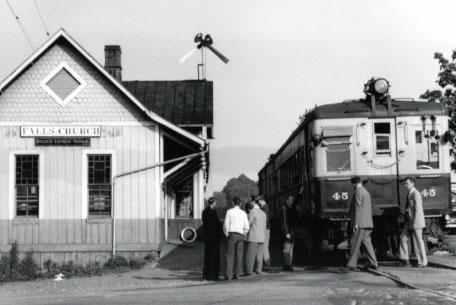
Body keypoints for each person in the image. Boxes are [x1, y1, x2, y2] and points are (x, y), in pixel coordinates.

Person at [346, 176, 378, 271]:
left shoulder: (358, 192)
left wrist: (356, 223)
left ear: (354, 184)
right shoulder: (366, 192)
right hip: (367, 222)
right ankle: (374, 263)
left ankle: (352, 264)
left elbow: (358, 208)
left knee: (355, 243)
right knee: (367, 243)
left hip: (360, 223)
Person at [399, 177, 427, 267]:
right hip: (409, 221)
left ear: (412, 184)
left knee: (418, 241)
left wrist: (415, 223)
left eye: (407, 183)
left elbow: (418, 210)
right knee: (403, 238)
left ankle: (422, 262)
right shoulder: (410, 193)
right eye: (405, 184)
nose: (405, 185)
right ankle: (405, 259)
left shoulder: (416, 194)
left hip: (416, 221)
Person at [223, 197, 250, 280]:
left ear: (233, 203)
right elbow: (247, 226)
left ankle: (229, 275)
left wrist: (226, 234)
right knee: (239, 255)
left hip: (232, 234)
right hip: (241, 235)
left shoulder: (229, 212)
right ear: (240, 204)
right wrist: (244, 233)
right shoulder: (243, 213)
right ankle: (237, 274)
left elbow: (226, 224)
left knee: (230, 255)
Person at [202, 197, 222, 281]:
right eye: (215, 203)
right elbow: (217, 224)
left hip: (207, 237)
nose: (216, 204)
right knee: (214, 256)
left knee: (207, 256)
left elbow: (205, 223)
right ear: (213, 203)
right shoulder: (214, 212)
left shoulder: (204, 212)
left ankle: (206, 275)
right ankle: (213, 275)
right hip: (214, 237)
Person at [245, 201, 267, 275]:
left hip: (254, 236)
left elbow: (249, 223)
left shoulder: (253, 212)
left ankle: (249, 271)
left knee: (250, 255)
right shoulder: (264, 213)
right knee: (259, 255)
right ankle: (259, 269)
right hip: (262, 237)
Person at [281, 195, 297, 271]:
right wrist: (286, 232)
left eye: (292, 200)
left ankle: (289, 264)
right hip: (288, 231)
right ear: (287, 200)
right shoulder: (284, 208)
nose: (291, 201)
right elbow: (284, 221)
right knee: (287, 248)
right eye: (290, 200)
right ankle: (287, 265)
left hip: (292, 230)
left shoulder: (291, 208)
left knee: (291, 248)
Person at [257, 196, 271, 267]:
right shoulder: (265, 207)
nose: (258, 203)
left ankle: (267, 263)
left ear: (262, 201)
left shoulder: (264, 208)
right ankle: (266, 263)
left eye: (259, 201)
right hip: (266, 228)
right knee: (265, 246)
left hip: (265, 229)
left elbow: (266, 219)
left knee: (264, 246)